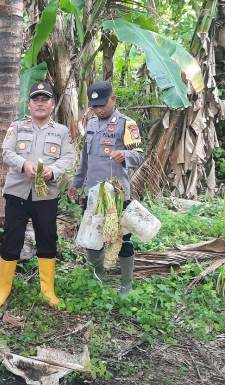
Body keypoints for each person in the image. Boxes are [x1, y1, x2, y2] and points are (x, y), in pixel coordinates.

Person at [0, 81, 76, 308]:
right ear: (29, 104)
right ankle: (3, 288)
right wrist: (23, 164)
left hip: (46, 195)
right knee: (11, 238)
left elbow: (69, 158)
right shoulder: (17, 127)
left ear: (52, 104)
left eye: (44, 99)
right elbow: (6, 152)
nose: (40, 103)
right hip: (18, 191)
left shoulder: (61, 132)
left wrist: (54, 170)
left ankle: (47, 290)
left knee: (47, 238)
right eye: (36, 99)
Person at [69, 80, 144, 298]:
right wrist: (76, 184)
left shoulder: (127, 124)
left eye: (102, 105)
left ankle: (126, 285)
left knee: (123, 240)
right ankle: (98, 279)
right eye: (95, 107)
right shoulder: (91, 124)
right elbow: (85, 159)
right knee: (91, 239)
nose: (99, 110)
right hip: (92, 194)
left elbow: (138, 154)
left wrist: (126, 155)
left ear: (113, 99)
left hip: (117, 194)